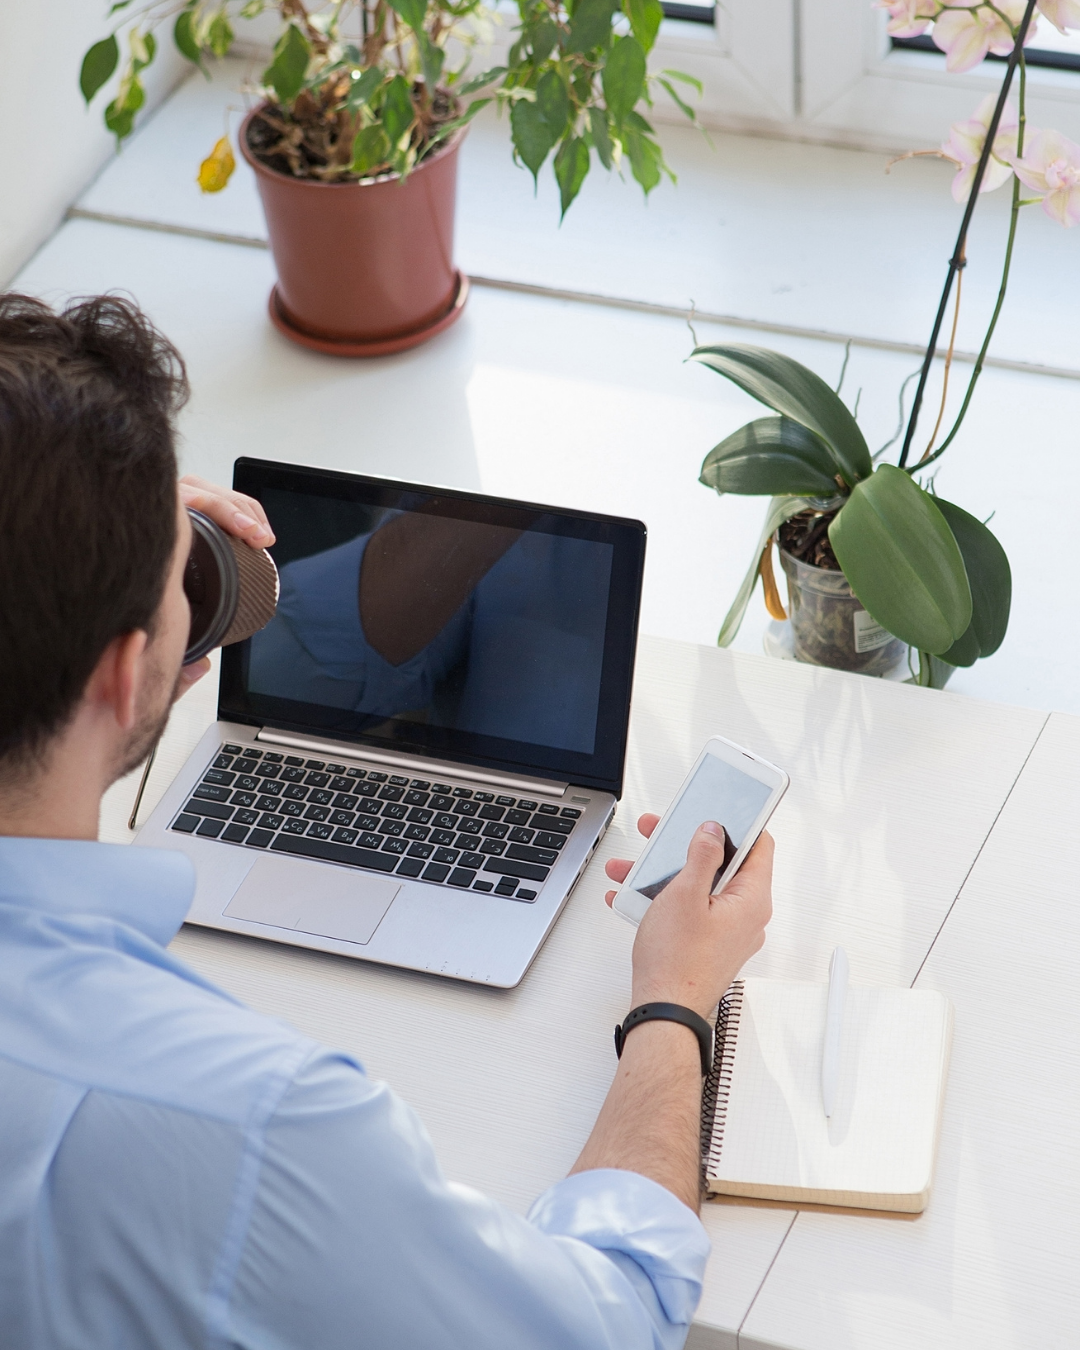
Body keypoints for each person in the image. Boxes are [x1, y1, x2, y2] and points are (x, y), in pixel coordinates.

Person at [0, 293, 774, 1350]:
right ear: (126, 670)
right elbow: (608, 1321)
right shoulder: (261, 1122)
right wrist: (675, 1003)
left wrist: (72, 545)